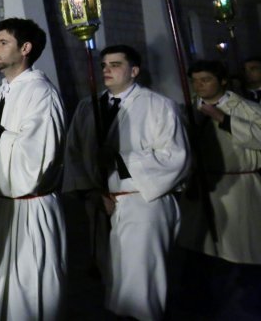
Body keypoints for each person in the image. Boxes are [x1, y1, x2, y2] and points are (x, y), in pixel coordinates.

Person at [63, 44, 189, 321]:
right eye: (104, 65)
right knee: (116, 278)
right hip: (103, 202)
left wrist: (121, 159)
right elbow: (73, 151)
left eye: (116, 65)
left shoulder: (158, 105)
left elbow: (175, 156)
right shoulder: (89, 107)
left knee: (142, 278)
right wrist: (92, 192)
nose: (107, 70)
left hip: (144, 201)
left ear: (134, 70)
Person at [0, 17, 67, 320]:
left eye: (3, 42)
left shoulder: (42, 94)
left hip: (29, 211)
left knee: (27, 299)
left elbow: (37, 160)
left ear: (25, 48)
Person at [176, 59, 261, 316]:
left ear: (222, 81)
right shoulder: (189, 111)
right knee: (201, 252)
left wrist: (224, 119)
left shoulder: (247, 108)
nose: (199, 85)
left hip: (239, 186)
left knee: (241, 250)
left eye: (206, 79)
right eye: (195, 81)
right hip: (201, 186)